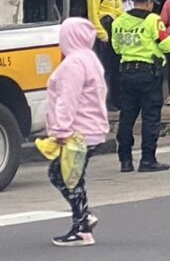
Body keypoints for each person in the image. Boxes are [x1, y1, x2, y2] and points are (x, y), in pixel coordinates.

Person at [42, 18, 110, 247]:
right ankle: (83, 219)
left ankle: (82, 227)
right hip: (91, 130)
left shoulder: (73, 64)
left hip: (77, 133)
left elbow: (67, 99)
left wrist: (61, 129)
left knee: (61, 175)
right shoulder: (90, 59)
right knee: (72, 177)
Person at [111, 0, 170, 172]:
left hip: (126, 74)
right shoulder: (152, 20)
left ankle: (125, 160)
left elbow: (116, 47)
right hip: (148, 74)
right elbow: (166, 45)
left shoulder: (119, 21)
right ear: (148, 3)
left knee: (127, 117)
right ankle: (147, 159)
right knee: (150, 117)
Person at [85, 0, 123, 109]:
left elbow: (118, 8)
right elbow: (93, 13)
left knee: (115, 67)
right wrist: (101, 33)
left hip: (115, 29)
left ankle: (115, 99)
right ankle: (101, 100)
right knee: (103, 68)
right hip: (104, 29)